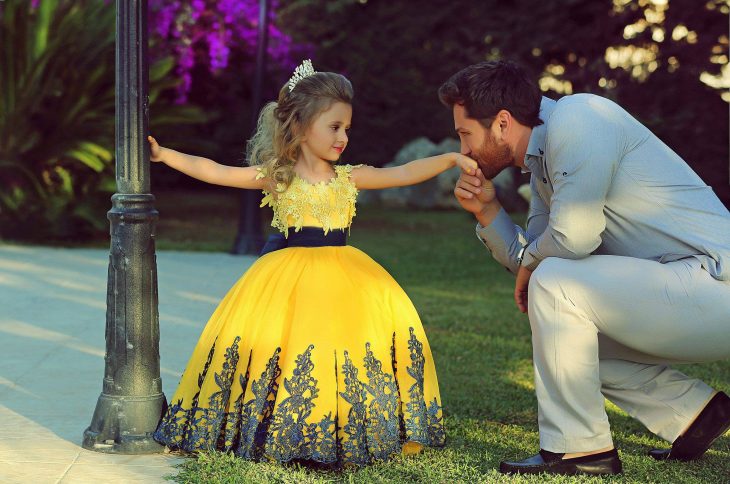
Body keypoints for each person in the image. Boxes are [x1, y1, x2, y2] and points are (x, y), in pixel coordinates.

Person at [149, 60, 478, 467]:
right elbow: (216, 171)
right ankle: (279, 428)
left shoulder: (349, 178)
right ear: (302, 127)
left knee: (346, 346)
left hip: (346, 277)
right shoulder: (278, 177)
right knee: (287, 350)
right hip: (286, 278)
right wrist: (165, 155)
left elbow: (404, 172)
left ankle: (348, 427)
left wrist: (449, 159)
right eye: (334, 127)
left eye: (346, 129)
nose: (342, 137)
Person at [439, 59, 730, 476]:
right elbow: (537, 260)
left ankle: (579, 449)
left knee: (557, 284)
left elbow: (573, 237)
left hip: (716, 281)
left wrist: (537, 267)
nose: (464, 150)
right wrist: (488, 212)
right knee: (562, 328)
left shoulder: (578, 118)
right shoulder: (542, 162)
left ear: (502, 122)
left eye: (466, 134)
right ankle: (696, 414)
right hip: (685, 292)